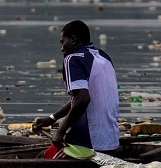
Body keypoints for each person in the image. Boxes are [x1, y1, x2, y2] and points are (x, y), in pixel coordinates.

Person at [33, 19, 120, 153]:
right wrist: (52, 119)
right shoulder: (104, 57)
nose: (62, 48)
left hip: (88, 141)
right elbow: (79, 98)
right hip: (111, 141)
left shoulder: (73, 58)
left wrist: (60, 132)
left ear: (73, 40)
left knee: (41, 157)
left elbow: (83, 99)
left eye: (63, 42)